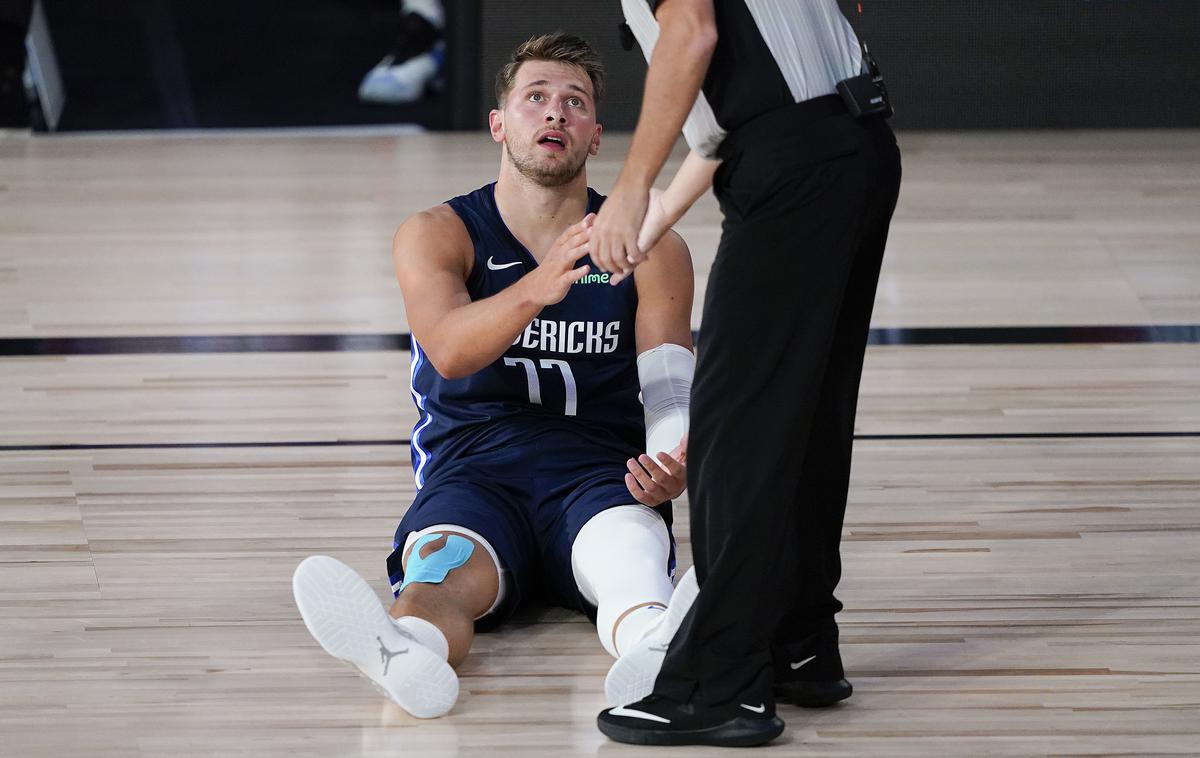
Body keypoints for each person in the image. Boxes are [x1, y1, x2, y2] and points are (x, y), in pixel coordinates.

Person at [292, 31, 699, 719]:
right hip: (475, 468)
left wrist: (673, 452)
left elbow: (667, 384)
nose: (555, 114)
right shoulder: (438, 232)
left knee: (630, 560)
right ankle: (405, 651)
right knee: (440, 574)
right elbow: (450, 350)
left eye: (574, 103)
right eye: (534, 98)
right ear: (498, 123)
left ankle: (655, 648)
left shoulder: (650, 247)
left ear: (595, 135)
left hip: (600, 469)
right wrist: (537, 287)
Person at [592, 0, 903, 747]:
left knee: (738, 433)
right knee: (805, 417)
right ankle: (799, 643)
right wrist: (654, 217)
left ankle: (717, 684)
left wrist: (632, 187)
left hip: (795, 170)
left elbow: (692, 35)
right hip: (852, 145)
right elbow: (743, 110)